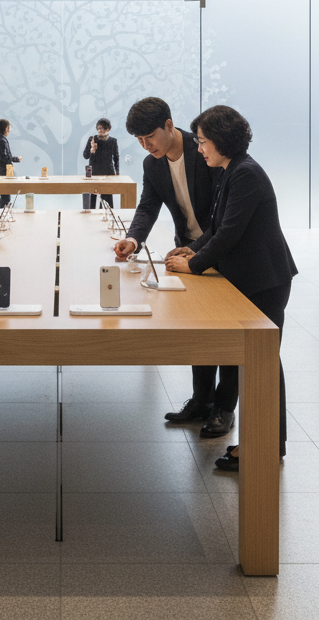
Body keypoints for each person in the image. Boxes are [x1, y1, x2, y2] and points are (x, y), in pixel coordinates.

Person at [165, 106, 296, 469]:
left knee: (263, 362)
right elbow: (216, 226)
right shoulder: (231, 170)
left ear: (222, 140)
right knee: (258, 361)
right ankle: (265, 444)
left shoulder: (246, 174)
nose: (199, 149)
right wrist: (192, 249)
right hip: (250, 276)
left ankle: (266, 448)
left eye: (203, 142)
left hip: (264, 279)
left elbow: (230, 233)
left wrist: (192, 264)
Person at [113, 97, 220, 430]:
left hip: (220, 247)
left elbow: (224, 216)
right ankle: (201, 401)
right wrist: (133, 239)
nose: (146, 146)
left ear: (169, 125)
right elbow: (148, 206)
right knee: (200, 327)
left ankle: (224, 409)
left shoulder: (205, 150)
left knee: (226, 331)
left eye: (150, 137)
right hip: (188, 250)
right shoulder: (153, 164)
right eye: (139, 140)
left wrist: (196, 250)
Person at [82, 117, 119, 210]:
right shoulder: (92, 139)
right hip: (94, 172)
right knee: (92, 199)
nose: (101, 130)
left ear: (109, 129)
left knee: (107, 200)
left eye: (104, 128)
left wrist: (117, 172)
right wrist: (92, 150)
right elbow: (85, 156)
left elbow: (116, 158)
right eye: (99, 128)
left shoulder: (113, 141)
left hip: (108, 173)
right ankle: (90, 216)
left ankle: (108, 216)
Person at [0, 118, 21, 209]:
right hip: (3, 173)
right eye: (9, 128)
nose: (9, 130)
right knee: (6, 197)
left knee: (5, 197)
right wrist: (16, 159)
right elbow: (4, 157)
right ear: (6, 128)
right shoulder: (2, 140)